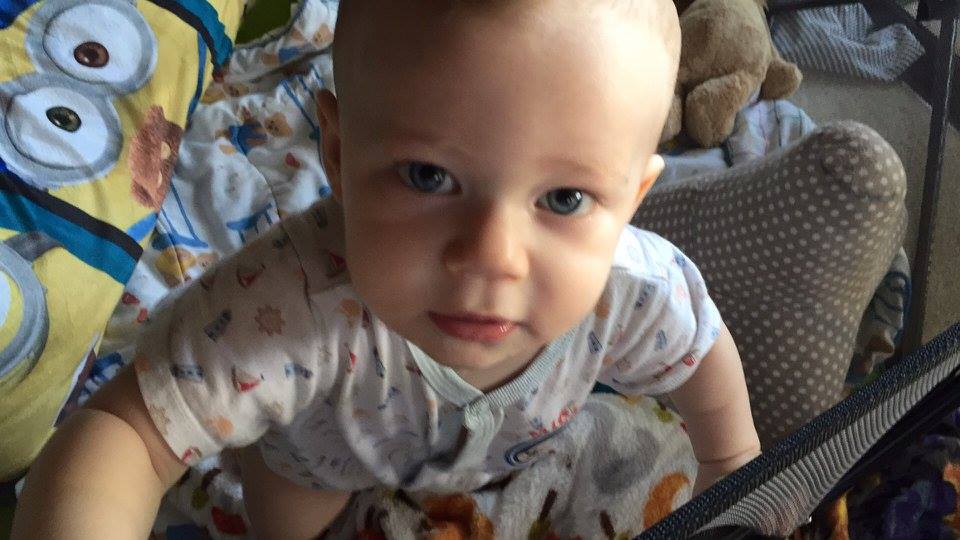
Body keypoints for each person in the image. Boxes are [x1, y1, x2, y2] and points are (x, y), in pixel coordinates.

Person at [12, 0, 761, 537]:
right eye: (428, 177)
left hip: (514, 445)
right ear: (337, 155)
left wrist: (734, 462)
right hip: (323, 458)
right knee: (289, 520)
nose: (492, 257)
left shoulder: (636, 292)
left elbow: (701, 357)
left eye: (565, 198)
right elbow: (126, 434)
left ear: (632, 200)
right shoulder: (285, 306)